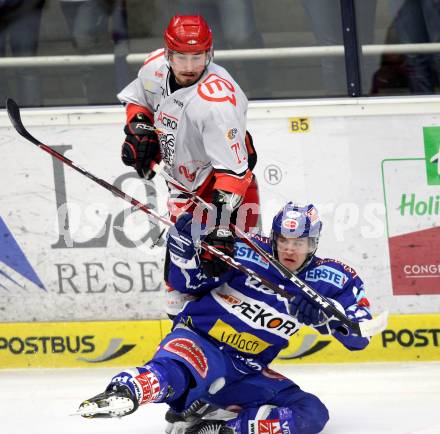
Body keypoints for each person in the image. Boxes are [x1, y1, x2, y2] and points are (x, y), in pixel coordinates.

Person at [77, 202, 373, 434]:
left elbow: (360, 337)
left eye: (299, 242)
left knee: (311, 412)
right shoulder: (243, 249)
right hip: (201, 341)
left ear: (314, 243)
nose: (289, 249)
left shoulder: (334, 279)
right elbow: (187, 285)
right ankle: (124, 391)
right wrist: (182, 254)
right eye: (283, 240)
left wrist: (327, 316)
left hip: (244, 369)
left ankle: (223, 428)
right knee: (176, 371)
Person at [116, 14, 260, 316]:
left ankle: (237, 345)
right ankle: (182, 344)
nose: (191, 66)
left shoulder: (217, 102)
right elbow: (137, 100)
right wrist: (139, 127)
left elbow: (233, 175)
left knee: (235, 278)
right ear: (168, 54)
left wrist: (221, 229)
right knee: (178, 282)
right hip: (182, 184)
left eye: (198, 57)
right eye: (181, 57)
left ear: (210, 54)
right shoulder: (154, 68)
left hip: (224, 190)